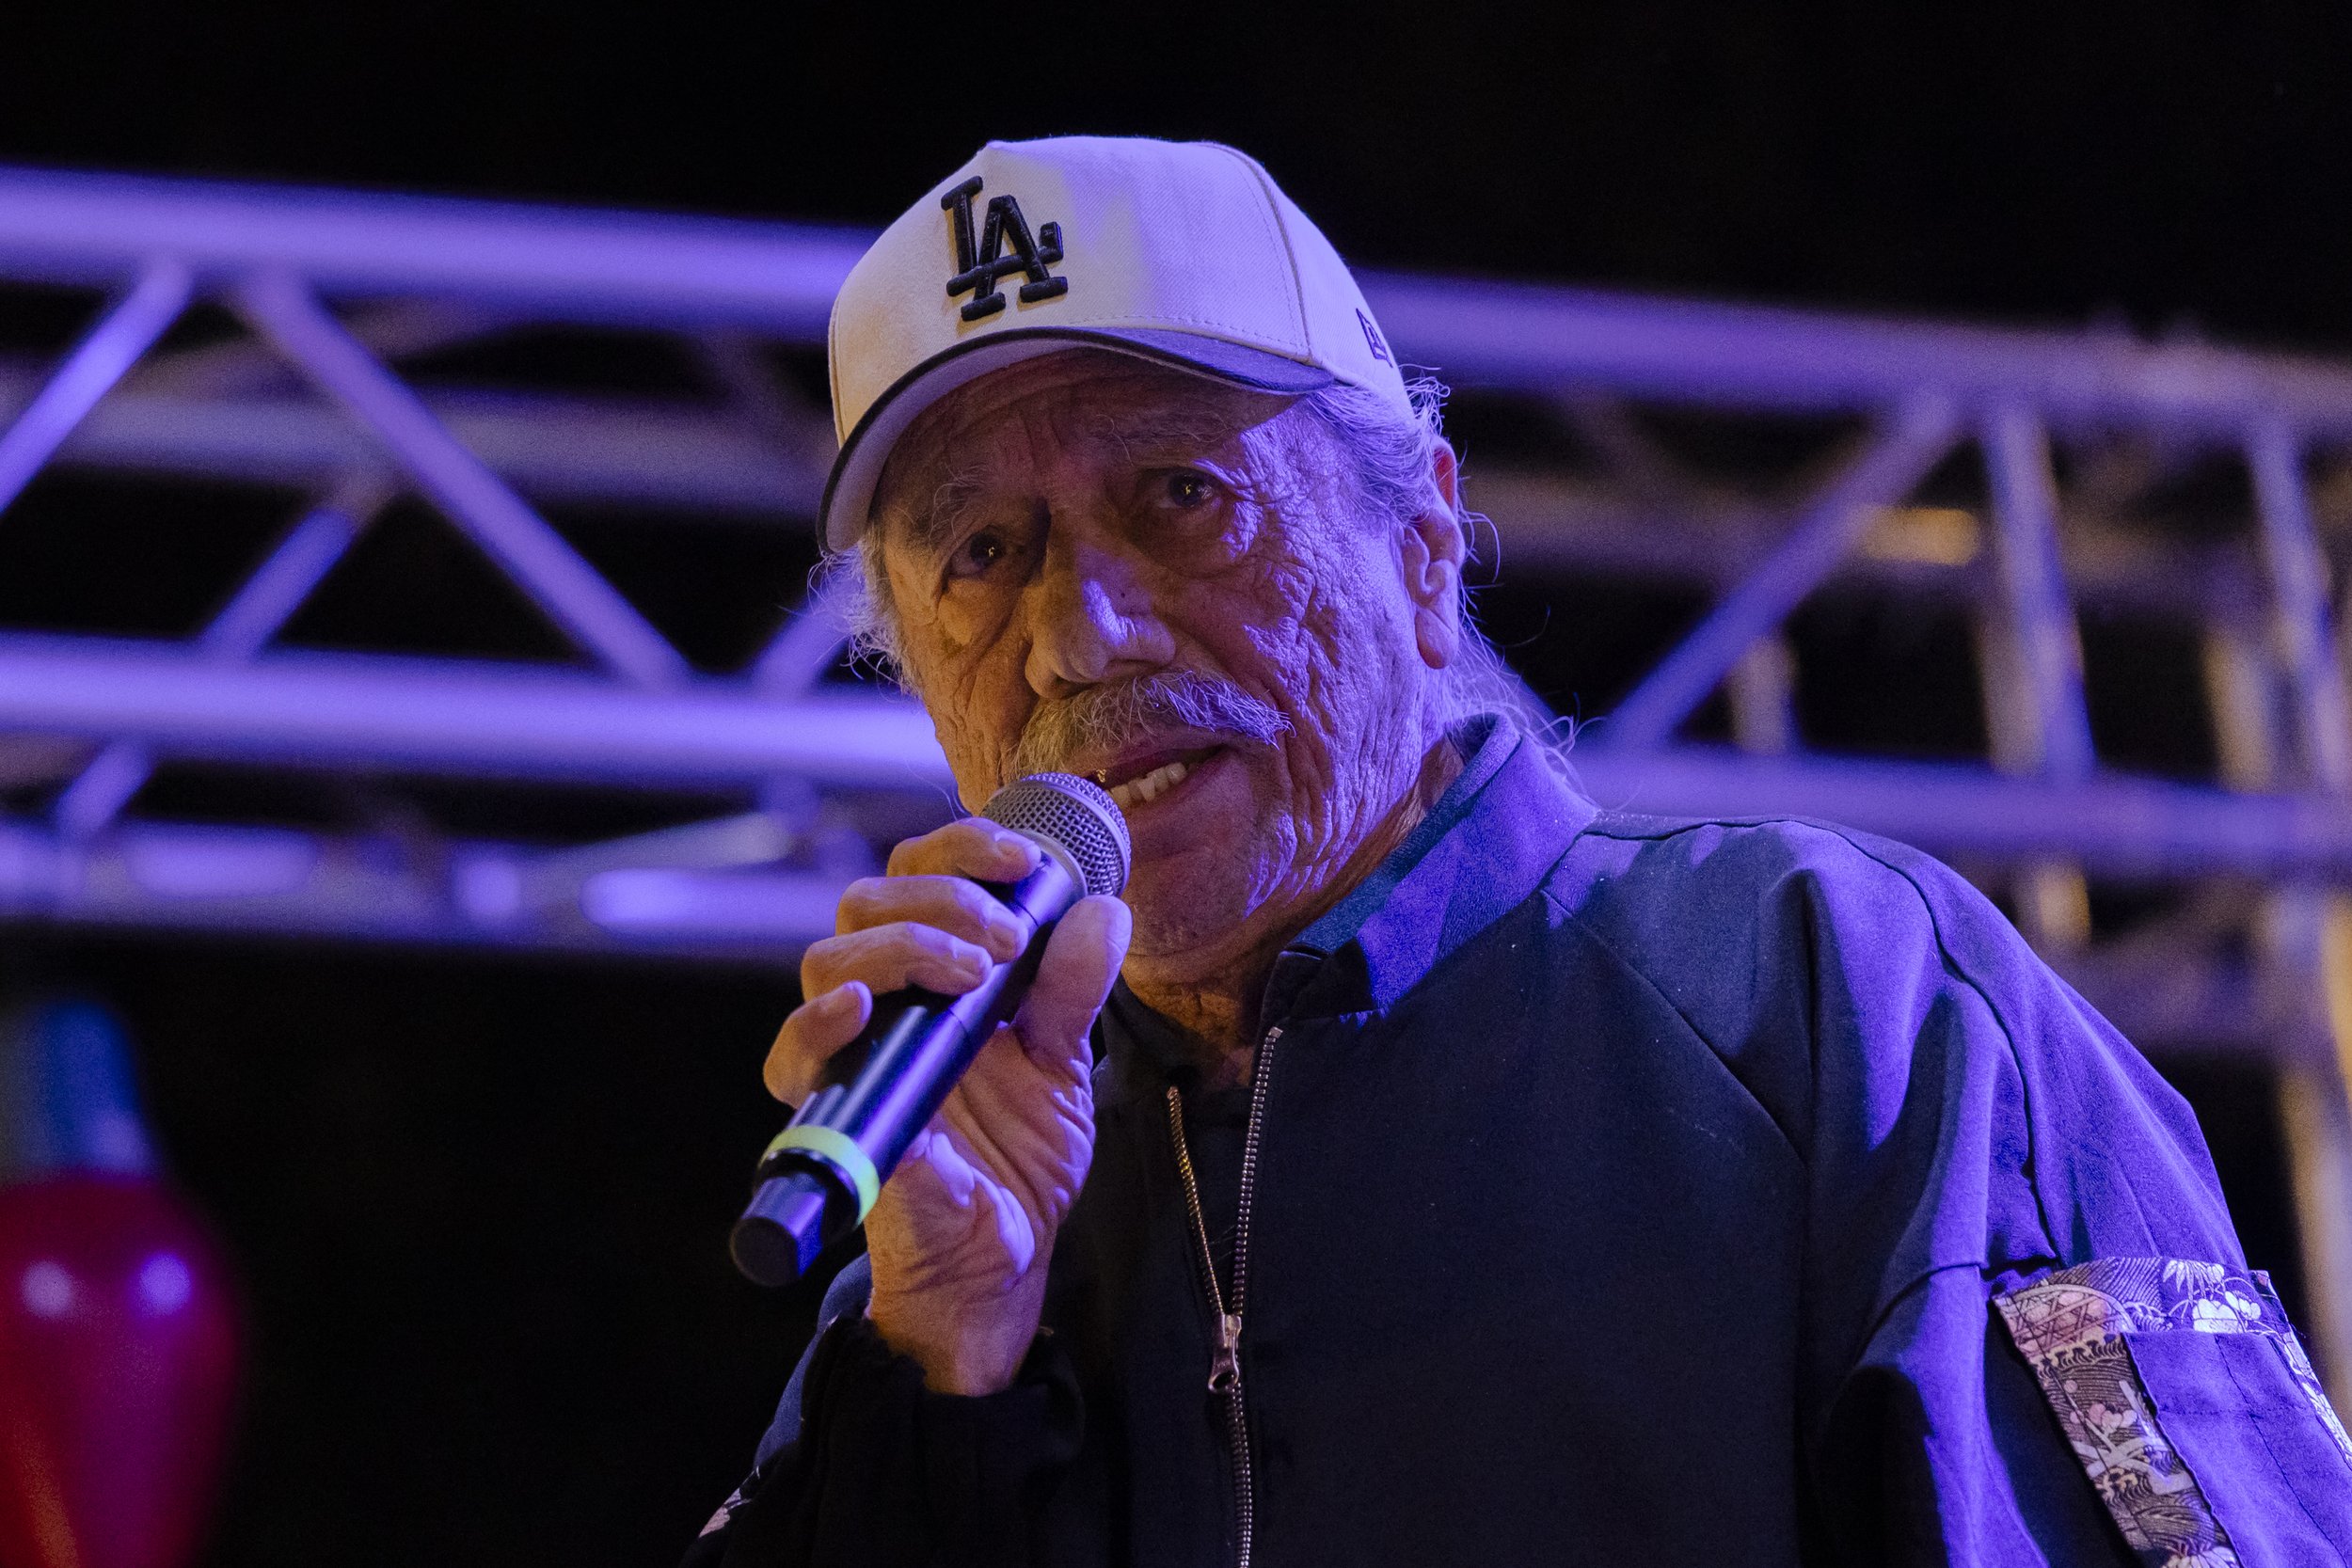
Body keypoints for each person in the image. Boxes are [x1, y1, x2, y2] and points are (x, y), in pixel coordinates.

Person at [688, 135, 2352, 1566]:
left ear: (1421, 549)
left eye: (1181, 495)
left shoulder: (1843, 993)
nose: (1077, 636)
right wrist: (940, 1365)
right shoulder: (941, 1219)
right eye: (983, 552)